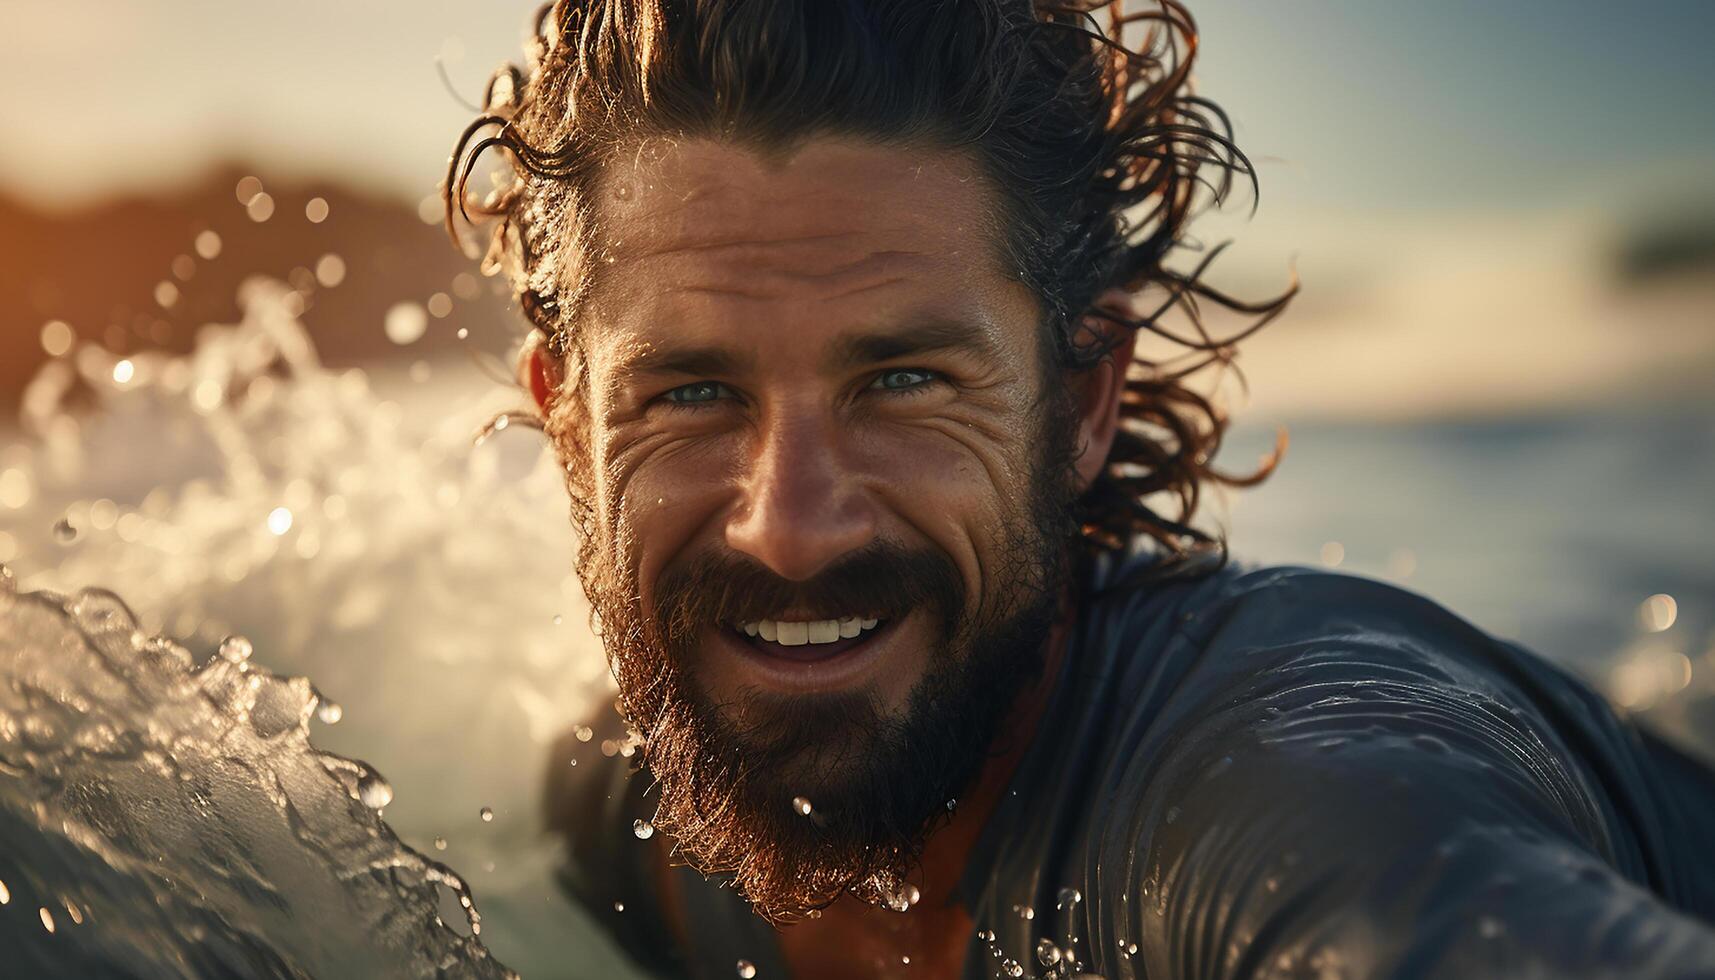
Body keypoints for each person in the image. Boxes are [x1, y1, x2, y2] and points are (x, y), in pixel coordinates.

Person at [445, 1, 1715, 977]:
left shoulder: (1284, 804)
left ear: (1081, 398)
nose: (787, 522)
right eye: (687, 394)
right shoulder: (619, 809)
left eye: (900, 380)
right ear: (567, 422)